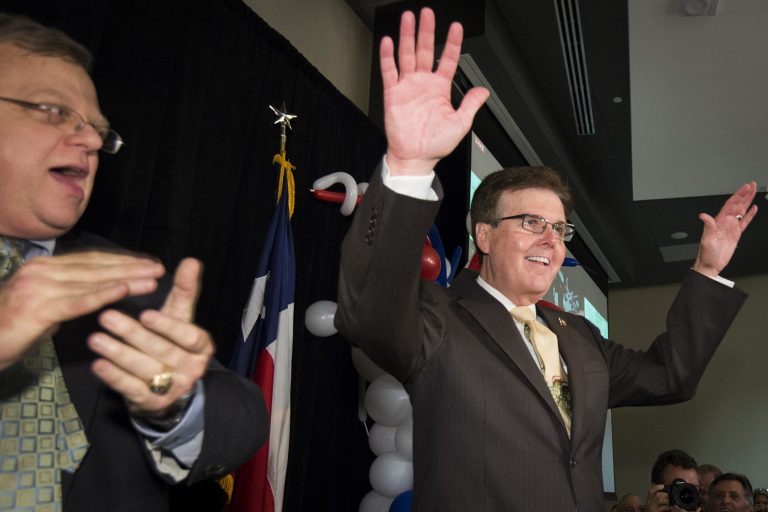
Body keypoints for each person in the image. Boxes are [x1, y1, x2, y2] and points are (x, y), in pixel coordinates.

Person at [334, 6, 757, 511]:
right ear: (484, 236)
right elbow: (367, 309)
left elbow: (672, 375)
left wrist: (707, 271)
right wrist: (408, 166)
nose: (552, 240)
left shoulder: (580, 336)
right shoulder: (438, 319)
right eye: (531, 222)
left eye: (559, 228)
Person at [0, 13, 267, 511]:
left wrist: (169, 401)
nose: (91, 142)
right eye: (53, 111)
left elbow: (241, 414)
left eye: (98, 130)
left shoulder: (126, 278)